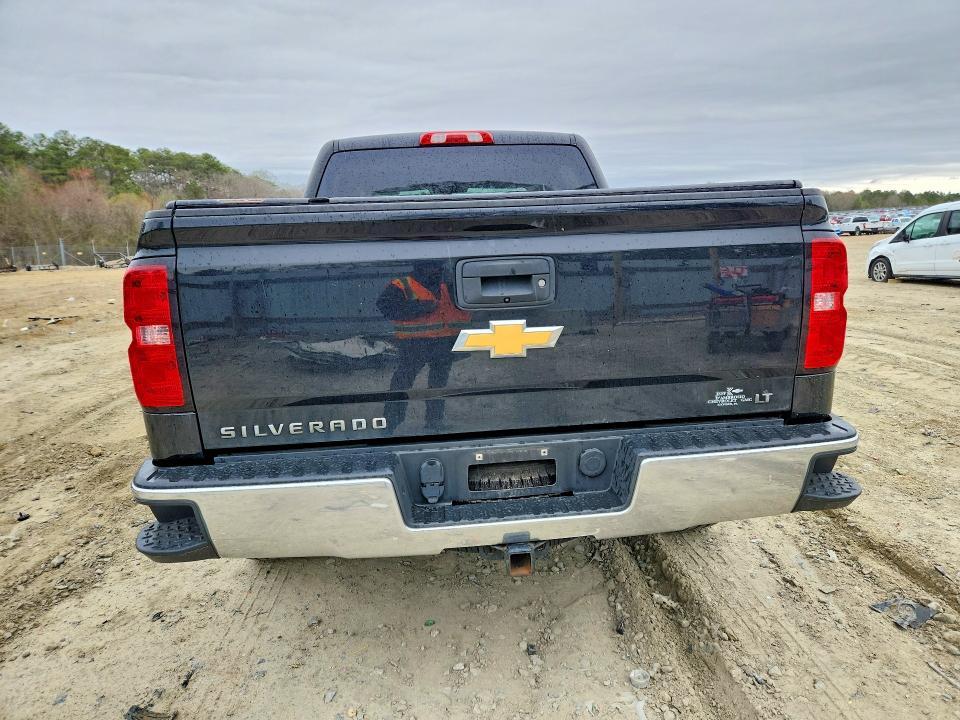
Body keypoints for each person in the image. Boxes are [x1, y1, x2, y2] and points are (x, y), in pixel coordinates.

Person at [376, 261, 471, 430]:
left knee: (438, 386)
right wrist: (419, 308)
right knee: (402, 383)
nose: (437, 269)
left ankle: (434, 423)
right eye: (433, 265)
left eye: (438, 265)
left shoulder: (448, 283)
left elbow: (467, 303)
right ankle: (390, 424)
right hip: (414, 345)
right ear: (420, 266)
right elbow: (385, 306)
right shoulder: (402, 284)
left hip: (444, 343)